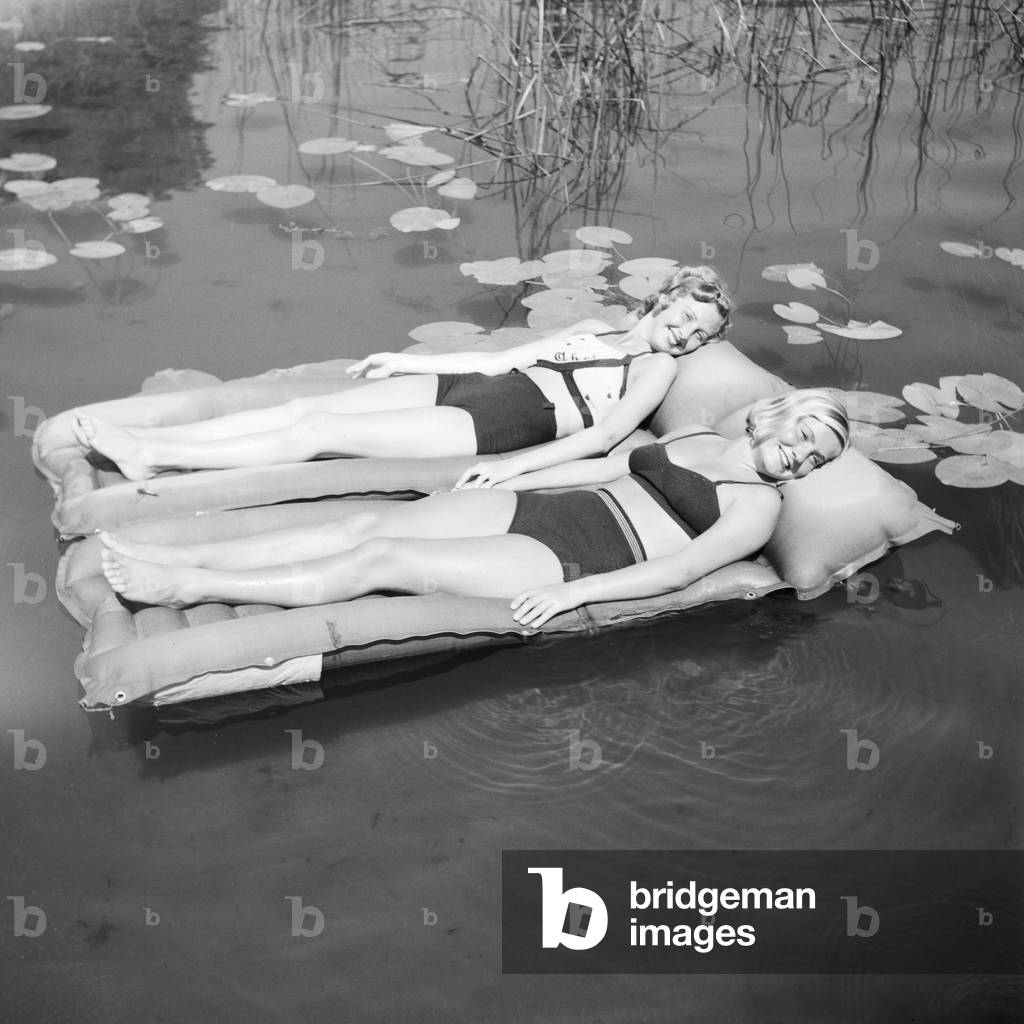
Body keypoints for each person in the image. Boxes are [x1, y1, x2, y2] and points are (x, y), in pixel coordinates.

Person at [97, 390, 849, 627]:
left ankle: (191, 586)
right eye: (804, 439)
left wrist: (577, 593)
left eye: (817, 459)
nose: (802, 458)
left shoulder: (757, 507)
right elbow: (608, 463)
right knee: (362, 523)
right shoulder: (695, 435)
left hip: (578, 552)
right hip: (548, 505)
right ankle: (179, 555)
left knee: (382, 559)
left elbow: (680, 571)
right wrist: (510, 471)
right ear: (778, 419)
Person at [69, 266, 732, 486]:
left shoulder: (654, 366)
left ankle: (156, 458)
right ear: (665, 299)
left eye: (700, 335)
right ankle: (155, 445)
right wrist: (408, 360)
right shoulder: (595, 325)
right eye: (686, 317)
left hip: (508, 419)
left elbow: (602, 437)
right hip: (479, 386)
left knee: (317, 428)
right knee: (302, 412)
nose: (687, 335)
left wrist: (511, 467)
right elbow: (493, 360)